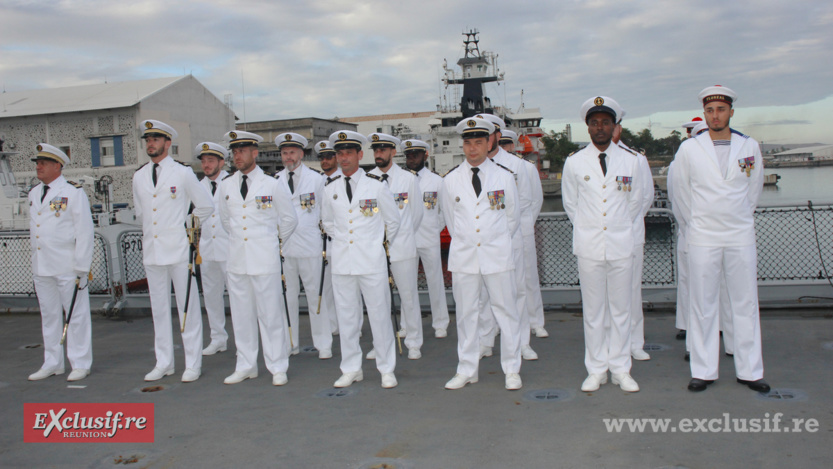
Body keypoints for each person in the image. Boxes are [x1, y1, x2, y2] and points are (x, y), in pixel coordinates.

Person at [670, 85, 768, 393]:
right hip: (703, 234)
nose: (715, 115)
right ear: (706, 114)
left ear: (731, 112)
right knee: (703, 303)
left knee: (745, 302)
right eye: (710, 111)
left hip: (739, 233)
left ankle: (750, 371)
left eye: (721, 110)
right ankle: (703, 370)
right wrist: (696, 223)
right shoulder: (690, 149)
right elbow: (681, 195)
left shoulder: (748, 146)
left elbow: (753, 191)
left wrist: (738, 216)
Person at [562, 97, 643, 393]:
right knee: (594, 312)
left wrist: (617, 227)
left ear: (614, 126)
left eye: (605, 122)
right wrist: (593, 227)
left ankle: (621, 369)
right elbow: (572, 205)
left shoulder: (632, 160)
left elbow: (638, 202)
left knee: (622, 311)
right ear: (588, 128)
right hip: (589, 246)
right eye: (594, 123)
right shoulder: (574, 162)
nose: (600, 127)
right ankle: (596, 369)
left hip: (622, 244)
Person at [441, 117, 523, 391]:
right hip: (464, 258)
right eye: (468, 143)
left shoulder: (504, 177)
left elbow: (512, 219)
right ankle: (466, 370)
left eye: (478, 142)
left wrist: (492, 240)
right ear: (462, 145)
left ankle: (512, 369)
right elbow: (452, 222)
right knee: (466, 315)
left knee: (506, 312)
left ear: (489, 142)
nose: (473, 148)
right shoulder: (450, 181)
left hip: (497, 255)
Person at [132, 120, 213, 383]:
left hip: (179, 252)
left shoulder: (182, 173)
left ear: (168, 143)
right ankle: (163, 362)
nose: (151, 143)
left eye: (156, 139)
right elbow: (142, 214)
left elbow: (205, 206)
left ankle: (192, 363)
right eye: (148, 139)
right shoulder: (139, 175)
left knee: (187, 307)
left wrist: (186, 228)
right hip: (153, 252)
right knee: (159, 310)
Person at [321, 130, 401, 389]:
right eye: (339, 154)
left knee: (379, 315)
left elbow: (393, 222)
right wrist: (347, 242)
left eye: (348, 153)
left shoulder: (376, 187)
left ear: (359, 155)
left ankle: (386, 368)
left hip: (371, 262)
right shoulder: (330, 190)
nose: (343, 159)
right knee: (347, 318)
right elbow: (328, 224)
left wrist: (372, 243)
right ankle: (351, 368)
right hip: (343, 262)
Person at [218, 130, 298, 385]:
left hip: (264, 259)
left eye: (242, 151)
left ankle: (277, 366)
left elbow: (288, 220)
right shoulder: (226, 185)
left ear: (255, 153)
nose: (237, 156)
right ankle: (246, 364)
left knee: (270, 315)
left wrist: (269, 241)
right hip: (238, 260)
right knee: (241, 316)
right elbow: (225, 221)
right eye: (234, 151)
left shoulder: (272, 185)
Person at [27, 143, 94, 382]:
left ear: (58, 165)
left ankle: (80, 362)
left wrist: (82, 267)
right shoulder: (35, 193)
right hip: (42, 265)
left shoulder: (73, 192)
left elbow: (84, 231)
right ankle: (52, 362)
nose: (38, 167)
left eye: (43, 163)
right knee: (50, 316)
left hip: (68, 265)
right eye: (37, 163)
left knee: (76, 315)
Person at [475, 114, 538, 362]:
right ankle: (486, 340)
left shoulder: (518, 166)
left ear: (497, 136)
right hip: (484, 242)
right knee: (483, 294)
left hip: (513, 239)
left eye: (486, 135)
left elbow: (530, 203)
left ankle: (522, 342)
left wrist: (517, 233)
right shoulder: (471, 168)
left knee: (517, 291)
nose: (482, 141)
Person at [275, 133, 333, 359]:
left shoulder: (317, 180)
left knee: (316, 296)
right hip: (285, 248)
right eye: (284, 153)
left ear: (301, 154)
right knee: (287, 297)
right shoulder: (275, 180)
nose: (288, 157)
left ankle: (324, 343)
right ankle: (291, 342)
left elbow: (325, 211)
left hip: (310, 246)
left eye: (292, 152)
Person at [367, 132, 424, 360]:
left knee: (408, 297)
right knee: (377, 300)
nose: (378, 154)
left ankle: (413, 341)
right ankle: (381, 344)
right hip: (374, 251)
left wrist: (400, 236)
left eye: (383, 150)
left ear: (393, 152)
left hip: (402, 248)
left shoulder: (408, 179)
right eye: (376, 150)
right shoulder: (366, 179)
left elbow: (417, 214)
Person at [611, 112, 655, 361]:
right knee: (606, 296)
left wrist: (625, 224)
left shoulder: (636, 159)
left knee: (631, 291)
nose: (609, 129)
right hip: (603, 238)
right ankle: (610, 342)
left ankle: (635, 341)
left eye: (613, 125)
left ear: (619, 128)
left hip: (631, 235)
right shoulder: (587, 159)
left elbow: (645, 197)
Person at [499, 130, 547, 339]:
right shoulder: (493, 169)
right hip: (500, 232)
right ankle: (503, 324)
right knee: (501, 281)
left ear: (513, 145)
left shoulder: (525, 168)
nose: (503, 148)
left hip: (523, 229)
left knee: (528, 279)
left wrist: (525, 223)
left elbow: (534, 200)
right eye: (500, 143)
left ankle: (536, 321)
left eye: (506, 144)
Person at [402, 139, 450, 339]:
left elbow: (444, 212)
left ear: (425, 155)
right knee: (406, 284)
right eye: (409, 155)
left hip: (429, 237)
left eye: (416, 154)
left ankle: (440, 322)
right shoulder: (401, 179)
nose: (412, 158)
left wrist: (433, 228)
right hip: (406, 239)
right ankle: (407, 324)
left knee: (435, 281)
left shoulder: (437, 181)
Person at [195, 142, 230, 357]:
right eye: (203, 161)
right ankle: (218, 338)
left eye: (210, 161)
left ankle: (246, 341)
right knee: (211, 297)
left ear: (221, 162)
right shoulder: (198, 186)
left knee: (238, 298)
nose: (206, 165)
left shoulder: (232, 183)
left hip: (229, 249)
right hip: (208, 249)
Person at [314, 140, 340, 336]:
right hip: (320, 243)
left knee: (348, 290)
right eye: (321, 158)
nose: (325, 161)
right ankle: (333, 324)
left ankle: (353, 327)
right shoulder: (316, 182)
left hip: (341, 242)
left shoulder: (345, 180)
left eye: (329, 156)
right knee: (327, 288)